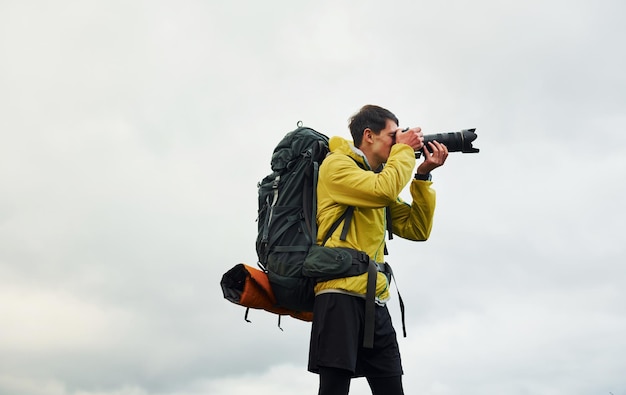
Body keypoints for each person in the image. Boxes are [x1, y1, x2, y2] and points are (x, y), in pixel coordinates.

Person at [308, 105, 449, 395]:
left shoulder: (377, 176)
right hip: (339, 295)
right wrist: (405, 152)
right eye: (393, 136)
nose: (399, 142)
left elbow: (417, 229)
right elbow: (382, 191)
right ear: (368, 135)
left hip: (374, 300)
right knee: (334, 390)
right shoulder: (336, 166)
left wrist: (421, 176)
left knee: (392, 389)